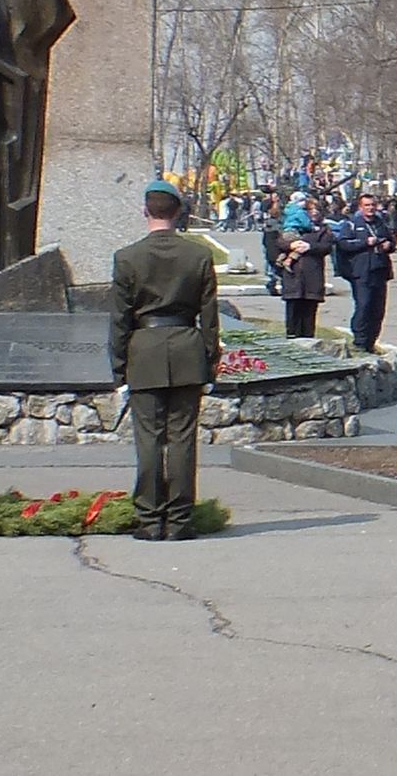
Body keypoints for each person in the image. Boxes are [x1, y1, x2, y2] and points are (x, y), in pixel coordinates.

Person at [110, 178, 219, 541]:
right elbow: (209, 315)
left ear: (145, 211)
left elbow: (120, 318)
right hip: (187, 348)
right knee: (183, 439)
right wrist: (210, 359)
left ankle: (149, 518)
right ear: (178, 212)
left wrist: (118, 368)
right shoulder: (198, 256)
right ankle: (179, 520)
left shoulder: (127, 257)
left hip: (145, 351)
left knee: (149, 439)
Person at [331, 189, 393, 353]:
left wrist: (388, 245)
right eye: (367, 205)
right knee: (363, 305)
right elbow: (343, 244)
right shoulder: (351, 224)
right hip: (361, 272)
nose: (370, 208)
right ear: (360, 207)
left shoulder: (380, 223)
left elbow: (390, 240)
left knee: (378, 309)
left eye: (373, 205)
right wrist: (365, 242)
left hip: (380, 271)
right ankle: (359, 341)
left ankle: (371, 342)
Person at [270, 205, 327, 338]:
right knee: (293, 309)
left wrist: (310, 247)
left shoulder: (323, 230)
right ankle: (292, 335)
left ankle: (308, 337)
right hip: (293, 277)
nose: (314, 213)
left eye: (317, 210)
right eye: (310, 210)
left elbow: (327, 246)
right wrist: (290, 245)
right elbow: (277, 244)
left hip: (312, 276)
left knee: (309, 311)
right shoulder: (287, 228)